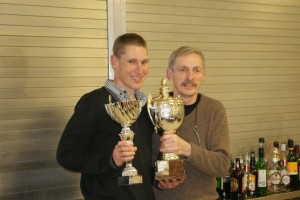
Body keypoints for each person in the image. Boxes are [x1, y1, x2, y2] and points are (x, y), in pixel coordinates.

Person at [56, 33, 156, 200]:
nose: (140, 70)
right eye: (132, 61)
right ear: (115, 62)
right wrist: (110, 160)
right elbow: (66, 155)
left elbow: (144, 160)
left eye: (144, 62)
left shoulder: (147, 107)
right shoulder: (94, 103)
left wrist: (161, 178)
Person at [152, 46, 231, 199]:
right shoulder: (155, 108)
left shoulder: (214, 110)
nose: (190, 77)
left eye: (196, 70)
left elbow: (222, 165)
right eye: (183, 70)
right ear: (170, 74)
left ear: (204, 75)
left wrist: (186, 149)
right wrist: (158, 182)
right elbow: (142, 162)